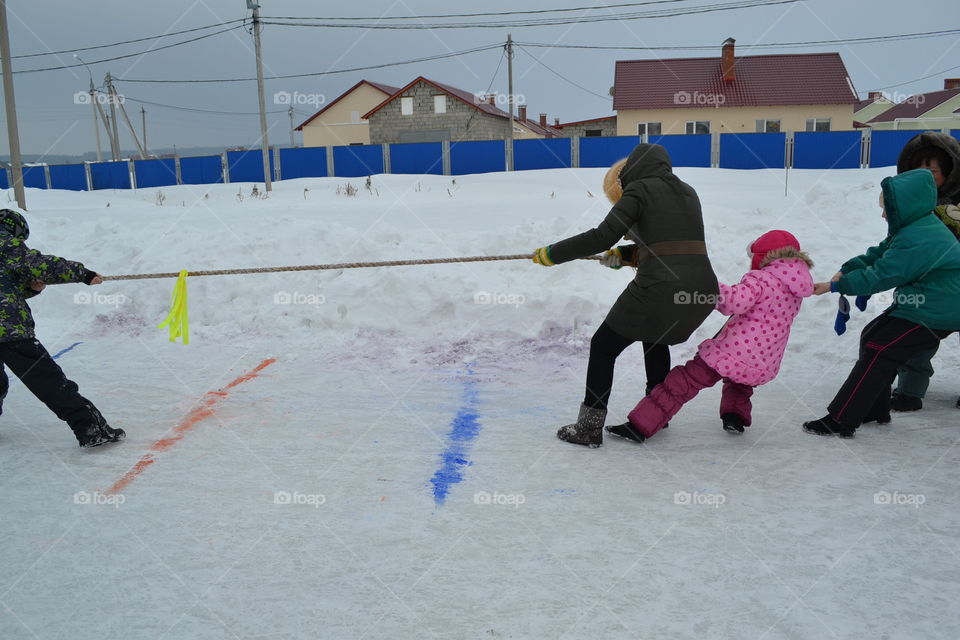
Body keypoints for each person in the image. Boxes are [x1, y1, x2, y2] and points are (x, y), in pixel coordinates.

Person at [531, 143, 718, 447]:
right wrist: (626, 255)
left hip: (660, 288)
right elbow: (672, 244)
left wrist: (553, 254)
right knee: (655, 337)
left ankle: (589, 428)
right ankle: (657, 413)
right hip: (702, 290)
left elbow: (601, 235)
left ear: (629, 171)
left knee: (604, 346)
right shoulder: (688, 192)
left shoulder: (639, 190)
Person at [607, 231, 813, 442]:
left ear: (765, 256)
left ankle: (640, 426)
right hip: (764, 358)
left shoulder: (761, 280)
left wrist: (707, 286)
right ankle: (735, 416)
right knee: (740, 382)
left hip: (733, 351)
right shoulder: (797, 289)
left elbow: (735, 302)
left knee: (684, 381)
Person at [803, 169, 960, 438]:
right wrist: (847, 269)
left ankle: (842, 418)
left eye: (887, 209)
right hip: (927, 302)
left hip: (941, 308)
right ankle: (874, 409)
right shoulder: (914, 228)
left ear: (904, 207)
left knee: (880, 348)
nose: (883, 215)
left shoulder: (921, 238)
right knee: (872, 336)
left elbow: (882, 275)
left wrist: (837, 285)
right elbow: (879, 253)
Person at [0, 209, 124, 448]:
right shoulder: (4, 242)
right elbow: (38, 264)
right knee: (48, 380)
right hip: (8, 331)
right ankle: (91, 428)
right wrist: (83, 274)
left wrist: (32, 289)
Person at [888, 132, 960, 412]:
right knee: (915, 339)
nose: (925, 177)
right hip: (924, 288)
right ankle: (909, 392)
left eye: (932, 171)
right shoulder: (909, 206)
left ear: (950, 172)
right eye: (917, 170)